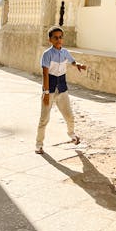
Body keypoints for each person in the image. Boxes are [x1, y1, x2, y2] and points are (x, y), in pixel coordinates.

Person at [35, 26, 87, 154]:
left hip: (62, 90)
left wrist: (78, 65)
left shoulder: (65, 52)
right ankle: (39, 144)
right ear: (50, 40)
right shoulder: (47, 54)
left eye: (60, 37)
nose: (58, 40)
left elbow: (72, 61)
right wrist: (46, 93)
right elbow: (45, 74)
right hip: (50, 90)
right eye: (55, 38)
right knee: (44, 119)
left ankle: (72, 135)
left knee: (69, 116)